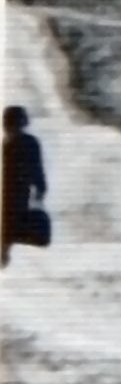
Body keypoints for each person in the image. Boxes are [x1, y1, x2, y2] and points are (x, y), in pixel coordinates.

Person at [2, 104, 45, 265]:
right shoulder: (30, 142)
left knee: (7, 223)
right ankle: (4, 253)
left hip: (9, 190)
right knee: (11, 222)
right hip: (19, 191)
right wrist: (40, 188)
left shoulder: (6, 143)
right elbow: (36, 168)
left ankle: (4, 253)